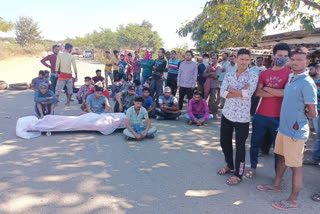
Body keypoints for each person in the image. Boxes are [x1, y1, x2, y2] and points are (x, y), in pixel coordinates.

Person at [257, 47, 318, 211]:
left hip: (295, 132)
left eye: (300, 59)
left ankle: (293, 200)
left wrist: (303, 113)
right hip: (283, 128)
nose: (296, 62)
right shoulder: (292, 77)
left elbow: (313, 112)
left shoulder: (307, 83)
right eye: (294, 59)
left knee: (296, 166)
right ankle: (276, 185)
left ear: (306, 62)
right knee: (281, 158)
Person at [246, 43, 292, 179]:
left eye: (285, 56)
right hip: (260, 115)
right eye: (279, 55)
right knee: (254, 144)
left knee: (278, 150)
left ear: (288, 58)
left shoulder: (290, 75)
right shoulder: (264, 73)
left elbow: (287, 93)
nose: (282, 58)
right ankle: (253, 167)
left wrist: (268, 89)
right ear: (273, 56)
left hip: (279, 117)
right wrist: (279, 92)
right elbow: (258, 93)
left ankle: (278, 176)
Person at [218, 48, 258, 185]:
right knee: (224, 142)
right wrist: (239, 91)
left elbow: (248, 93)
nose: (244, 62)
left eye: (247, 59)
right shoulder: (229, 74)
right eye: (241, 59)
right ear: (236, 59)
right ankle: (229, 165)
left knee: (240, 146)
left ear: (250, 60)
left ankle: (238, 174)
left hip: (242, 118)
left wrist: (231, 90)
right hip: (227, 113)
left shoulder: (252, 75)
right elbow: (223, 92)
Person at [304, 63, 320, 166]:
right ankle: (315, 158)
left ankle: (315, 158)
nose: (309, 71)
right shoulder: (310, 81)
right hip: (311, 111)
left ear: (318, 70)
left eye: (311, 69)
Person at [203, 53, 222, 119]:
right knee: (204, 99)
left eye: (215, 58)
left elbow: (216, 76)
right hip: (207, 85)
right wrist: (211, 73)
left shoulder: (219, 67)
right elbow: (204, 74)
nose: (213, 59)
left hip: (215, 85)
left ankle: (215, 113)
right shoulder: (209, 66)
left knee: (214, 100)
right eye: (212, 58)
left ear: (218, 59)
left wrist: (209, 74)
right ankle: (204, 112)